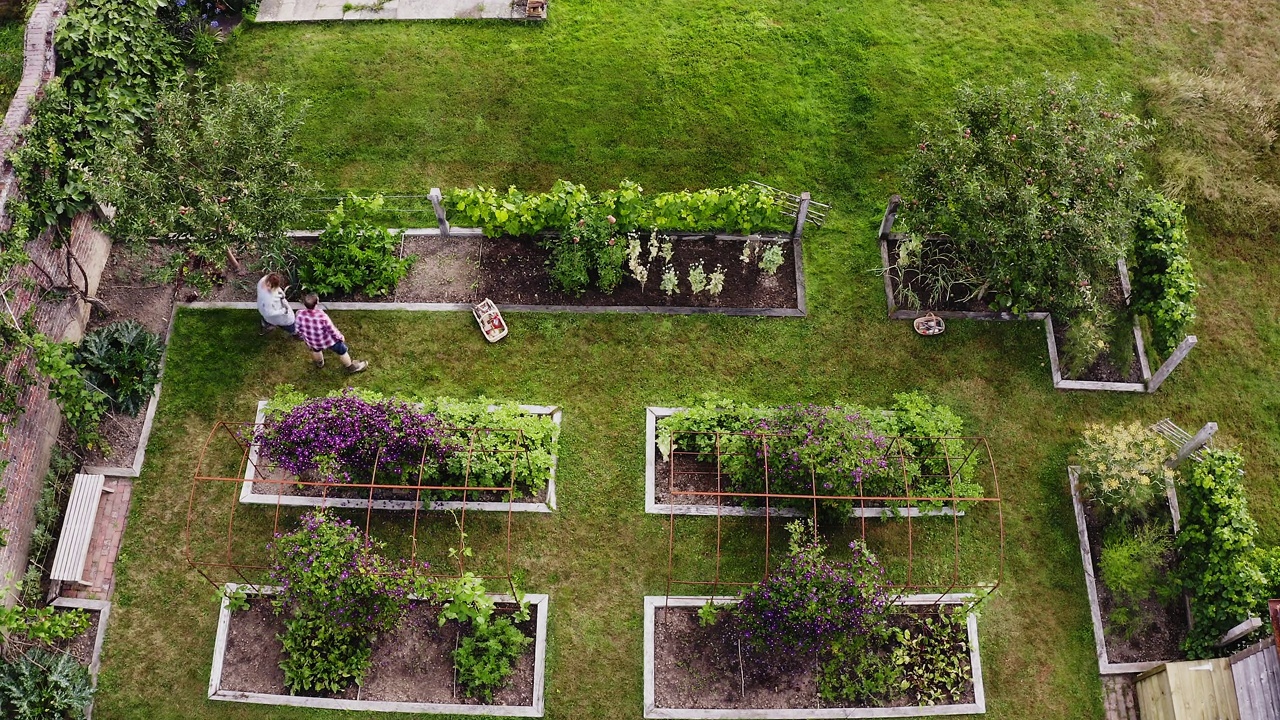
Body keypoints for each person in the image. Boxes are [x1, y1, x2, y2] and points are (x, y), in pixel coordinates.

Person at [295, 293, 368, 373]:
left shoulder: (299, 314)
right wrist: (340, 337)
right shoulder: (322, 316)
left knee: (316, 350)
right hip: (328, 341)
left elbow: (298, 329)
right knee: (342, 351)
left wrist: (305, 338)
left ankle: (319, 363)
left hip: (312, 341)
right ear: (317, 302)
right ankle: (351, 367)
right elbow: (332, 330)